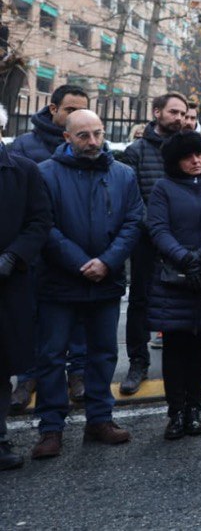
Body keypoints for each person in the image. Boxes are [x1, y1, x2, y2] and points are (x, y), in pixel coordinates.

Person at [31, 110, 144, 460]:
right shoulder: (45, 174)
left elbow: (133, 221)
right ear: (67, 137)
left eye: (98, 133)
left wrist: (107, 262)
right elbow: (43, 225)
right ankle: (51, 428)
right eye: (84, 136)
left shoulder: (123, 174)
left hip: (105, 282)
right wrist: (82, 262)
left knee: (103, 354)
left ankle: (99, 419)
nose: (93, 142)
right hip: (59, 282)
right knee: (51, 356)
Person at [118, 92, 201, 394]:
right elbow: (131, 198)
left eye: (184, 113)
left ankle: (190, 395)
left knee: (191, 309)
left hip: (195, 247)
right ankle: (138, 361)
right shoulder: (137, 150)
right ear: (157, 113)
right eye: (174, 112)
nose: (180, 118)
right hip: (149, 243)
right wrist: (156, 229)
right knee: (141, 302)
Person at [7, 86, 89, 413]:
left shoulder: (88, 142)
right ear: (52, 108)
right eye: (69, 109)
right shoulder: (24, 146)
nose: (75, 115)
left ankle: (78, 373)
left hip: (78, 246)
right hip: (36, 250)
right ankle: (28, 376)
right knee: (32, 316)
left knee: (79, 316)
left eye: (81, 109)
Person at [146, 131, 201, 441]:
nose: (196, 161)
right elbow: (157, 229)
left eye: (199, 155)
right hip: (173, 278)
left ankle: (195, 409)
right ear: (175, 161)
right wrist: (185, 258)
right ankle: (175, 411)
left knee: (200, 345)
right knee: (175, 347)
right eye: (188, 156)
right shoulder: (163, 188)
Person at [0, 105, 54, 470]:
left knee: (0, 368)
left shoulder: (23, 170)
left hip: (7, 285)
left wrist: (13, 256)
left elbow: (39, 219)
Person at [10, 84, 90, 164]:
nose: (77, 116)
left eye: (82, 112)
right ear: (53, 109)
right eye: (70, 111)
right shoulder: (24, 144)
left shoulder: (92, 143)